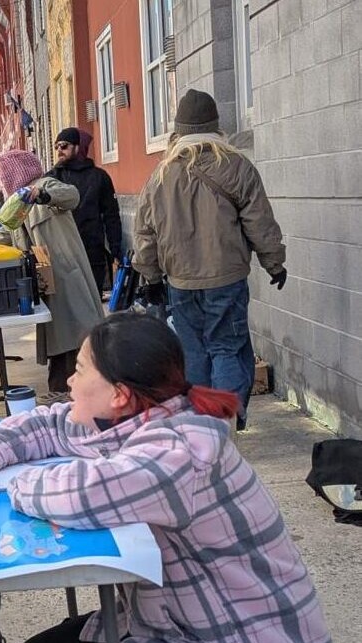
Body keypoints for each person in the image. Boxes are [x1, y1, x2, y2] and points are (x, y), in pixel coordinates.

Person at [0, 313, 335, 643]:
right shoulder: (137, 415)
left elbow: (82, 494)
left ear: (119, 394)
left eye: (80, 370)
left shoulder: (179, 450)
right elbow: (52, 424)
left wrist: (14, 484)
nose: (70, 382)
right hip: (177, 622)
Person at [135, 89, 286, 430]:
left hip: (180, 281)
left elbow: (145, 233)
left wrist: (152, 278)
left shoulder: (160, 175)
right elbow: (260, 223)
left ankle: (202, 425)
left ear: (179, 130)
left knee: (195, 353)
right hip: (226, 277)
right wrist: (274, 263)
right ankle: (227, 423)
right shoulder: (237, 166)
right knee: (227, 349)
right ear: (216, 125)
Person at [0, 149, 104, 399]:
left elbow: (71, 195)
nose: (1, 185)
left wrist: (43, 195)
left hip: (67, 278)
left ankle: (74, 400)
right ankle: (65, 398)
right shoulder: (15, 202)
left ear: (13, 174)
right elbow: (5, 234)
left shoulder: (44, 185)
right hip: (47, 284)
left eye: (2, 178)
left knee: (76, 342)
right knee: (60, 345)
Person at [47, 127, 123, 292]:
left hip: (92, 251)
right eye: (57, 146)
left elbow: (111, 215)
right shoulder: (52, 178)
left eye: (64, 145)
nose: (59, 150)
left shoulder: (99, 177)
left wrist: (115, 248)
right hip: (63, 254)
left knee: (94, 300)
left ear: (77, 147)